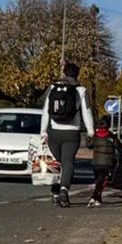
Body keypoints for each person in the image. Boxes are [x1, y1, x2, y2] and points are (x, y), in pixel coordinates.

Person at [42, 61, 92, 207]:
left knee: (57, 162)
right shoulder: (81, 90)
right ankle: (64, 189)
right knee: (68, 162)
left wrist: (43, 131)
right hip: (72, 132)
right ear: (77, 74)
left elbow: (46, 110)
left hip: (54, 131)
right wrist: (90, 131)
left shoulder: (52, 88)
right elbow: (86, 112)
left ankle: (55, 190)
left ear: (64, 73)